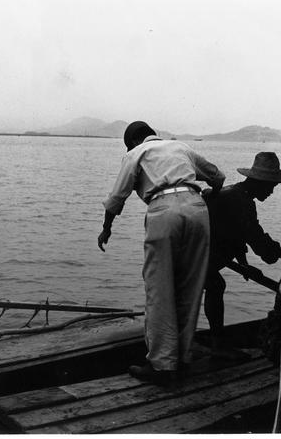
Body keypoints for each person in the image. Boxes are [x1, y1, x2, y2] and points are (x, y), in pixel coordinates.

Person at [98, 121, 225, 385]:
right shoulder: (181, 147)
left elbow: (116, 198)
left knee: (159, 290)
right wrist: (208, 196)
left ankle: (162, 365)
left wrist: (106, 229)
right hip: (197, 208)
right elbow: (218, 176)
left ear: (133, 141)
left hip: (163, 209)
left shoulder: (135, 154)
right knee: (191, 288)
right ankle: (182, 359)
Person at [203, 152, 281, 355]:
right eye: (271, 186)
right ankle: (217, 345)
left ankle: (213, 341)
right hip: (197, 252)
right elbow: (257, 240)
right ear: (260, 182)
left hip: (205, 253)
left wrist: (244, 264)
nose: (272, 191)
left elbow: (237, 234)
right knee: (216, 285)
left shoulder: (237, 194)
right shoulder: (240, 200)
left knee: (213, 285)